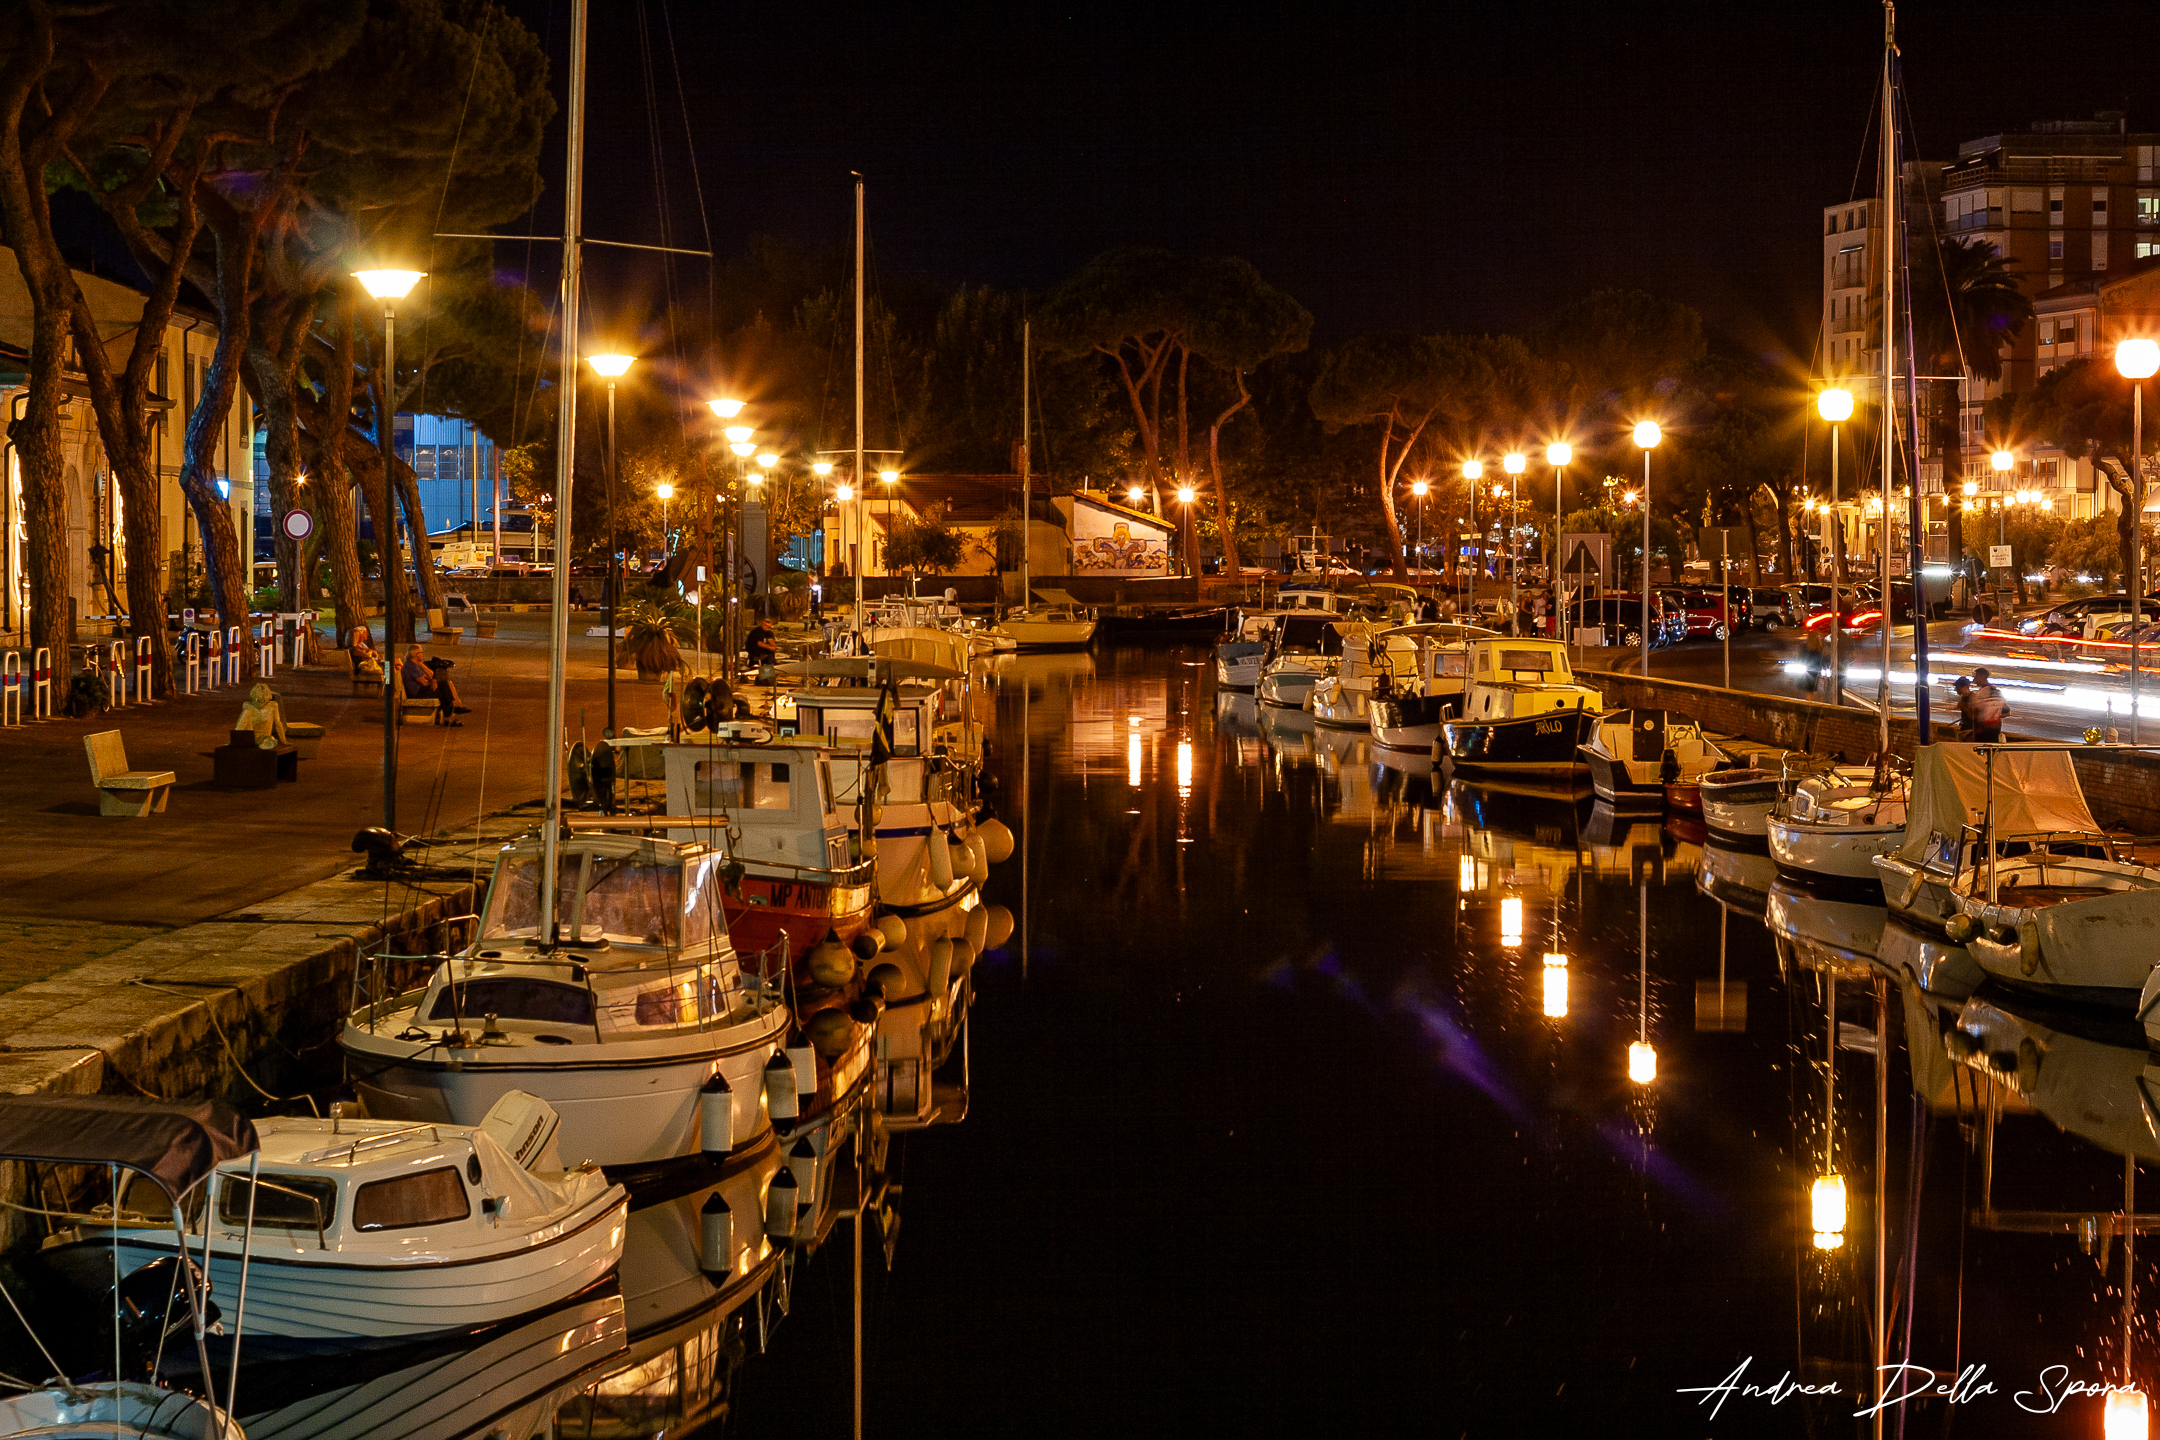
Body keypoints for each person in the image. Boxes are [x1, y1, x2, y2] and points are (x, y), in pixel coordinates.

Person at [403, 643, 471, 726]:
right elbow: (424, 683)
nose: (423, 654)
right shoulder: (411, 666)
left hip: (421, 690)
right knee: (443, 686)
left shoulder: (416, 665)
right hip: (417, 693)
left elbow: (430, 674)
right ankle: (453, 708)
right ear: (415, 654)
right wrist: (432, 682)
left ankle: (450, 716)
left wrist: (423, 666)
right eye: (421, 652)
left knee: (444, 689)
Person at [235, 682, 288, 750]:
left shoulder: (272, 705)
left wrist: (284, 741)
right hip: (251, 737)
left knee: (268, 742)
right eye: (259, 700)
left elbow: (278, 724)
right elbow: (242, 726)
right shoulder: (247, 706)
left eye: (263, 700)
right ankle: (235, 740)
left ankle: (237, 741)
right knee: (246, 713)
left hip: (265, 737)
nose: (261, 703)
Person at [1970, 666, 2009, 742]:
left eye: (1976, 677)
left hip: (1982, 730)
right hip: (1995, 730)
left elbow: (1974, 712)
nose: (1974, 680)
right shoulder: (1997, 692)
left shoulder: (1980, 693)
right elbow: (2006, 712)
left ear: (1983, 677)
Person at [1951, 676, 1978, 741]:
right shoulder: (1962, 698)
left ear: (1964, 687)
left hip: (1971, 730)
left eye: (1957, 687)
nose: (1955, 689)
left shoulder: (1973, 697)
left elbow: (1974, 715)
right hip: (1965, 728)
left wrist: (1963, 707)